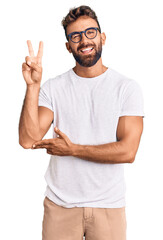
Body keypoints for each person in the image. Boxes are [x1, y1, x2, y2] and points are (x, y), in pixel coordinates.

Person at [19, 5, 145, 240]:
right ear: (68, 46)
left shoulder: (126, 88)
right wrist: (33, 86)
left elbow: (128, 151)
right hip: (60, 207)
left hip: (109, 207)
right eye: (75, 36)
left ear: (102, 37)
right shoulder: (53, 88)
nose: (84, 40)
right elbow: (28, 139)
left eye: (90, 32)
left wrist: (73, 150)